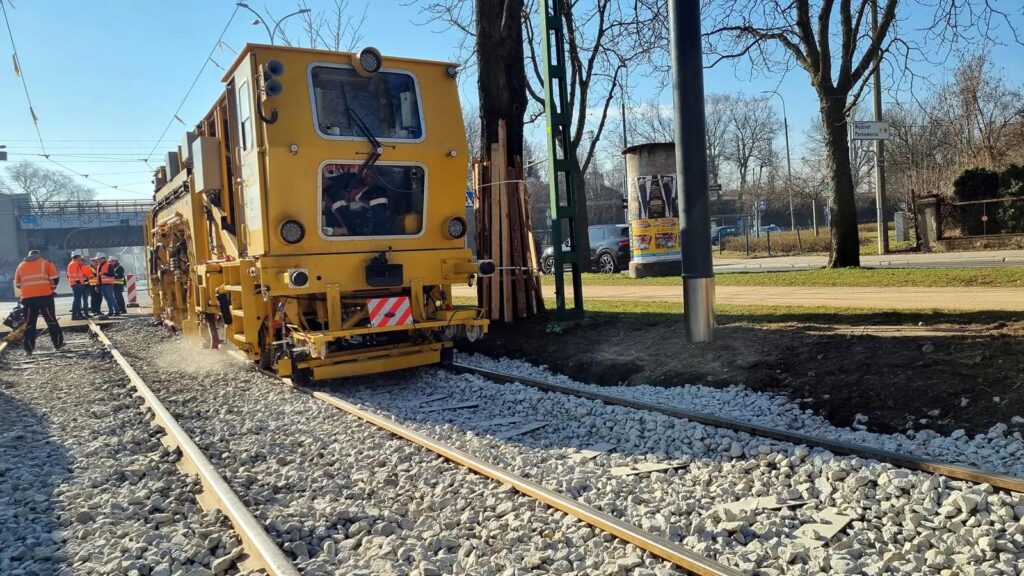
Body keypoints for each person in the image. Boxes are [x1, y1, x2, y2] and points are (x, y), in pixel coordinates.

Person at [14, 249, 64, 355]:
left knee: (30, 324)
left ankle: (29, 349)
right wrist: (51, 289)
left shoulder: (20, 266)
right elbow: (54, 279)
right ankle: (58, 344)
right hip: (45, 297)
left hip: (27, 299)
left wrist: (28, 290)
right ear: (39, 255)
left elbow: (17, 284)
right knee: (51, 321)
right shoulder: (46, 263)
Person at [66, 252, 94, 320]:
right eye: (80, 257)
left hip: (77, 284)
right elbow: (74, 275)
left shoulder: (74, 264)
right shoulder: (74, 264)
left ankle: (78, 315)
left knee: (77, 300)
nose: (80, 259)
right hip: (77, 285)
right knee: (77, 301)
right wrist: (79, 282)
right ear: (77, 257)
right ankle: (76, 315)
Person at [96, 254, 119, 318]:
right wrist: (97, 286)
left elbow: (112, 274)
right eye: (97, 259)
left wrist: (104, 273)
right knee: (107, 299)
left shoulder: (109, 265)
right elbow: (98, 277)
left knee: (111, 298)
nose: (98, 260)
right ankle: (111, 311)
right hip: (102, 285)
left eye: (99, 259)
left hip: (108, 284)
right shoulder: (99, 266)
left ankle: (117, 311)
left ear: (103, 259)